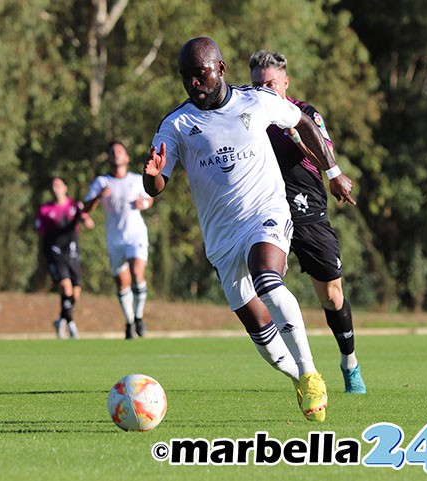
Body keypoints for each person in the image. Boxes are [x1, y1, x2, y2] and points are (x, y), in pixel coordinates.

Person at [143, 37, 354, 422]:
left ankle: (310, 373)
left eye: (200, 74)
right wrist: (154, 177)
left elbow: (303, 122)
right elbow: (157, 184)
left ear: (220, 69)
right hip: (222, 237)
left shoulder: (256, 101)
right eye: (186, 77)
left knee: (267, 279)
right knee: (256, 324)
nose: (193, 83)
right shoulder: (177, 124)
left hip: (266, 212)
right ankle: (296, 375)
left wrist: (333, 171)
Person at [249, 50, 367, 394]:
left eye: (271, 84)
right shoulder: (247, 113)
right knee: (260, 285)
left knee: (331, 295)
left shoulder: (305, 115)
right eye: (258, 85)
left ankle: (349, 363)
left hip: (306, 208)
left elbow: (322, 155)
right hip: (262, 211)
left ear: (285, 82)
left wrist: (298, 136)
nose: (265, 91)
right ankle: (299, 369)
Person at [83, 141, 153, 340]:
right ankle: (129, 321)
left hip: (136, 235)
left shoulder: (136, 179)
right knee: (122, 283)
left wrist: (145, 203)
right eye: (112, 152)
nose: (116, 154)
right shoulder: (102, 182)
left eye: (120, 151)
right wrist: (97, 197)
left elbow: (150, 198)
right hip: (115, 239)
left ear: (127, 157)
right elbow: (85, 208)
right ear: (108, 158)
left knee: (137, 273)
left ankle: (139, 317)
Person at [35, 177, 95, 339]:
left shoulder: (74, 206)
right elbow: (40, 234)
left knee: (75, 294)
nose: (56, 188)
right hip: (55, 253)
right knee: (66, 288)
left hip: (73, 253)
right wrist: (41, 257)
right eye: (53, 186)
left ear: (65, 188)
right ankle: (71, 325)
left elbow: (84, 218)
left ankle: (61, 319)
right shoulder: (45, 210)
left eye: (59, 185)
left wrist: (87, 220)